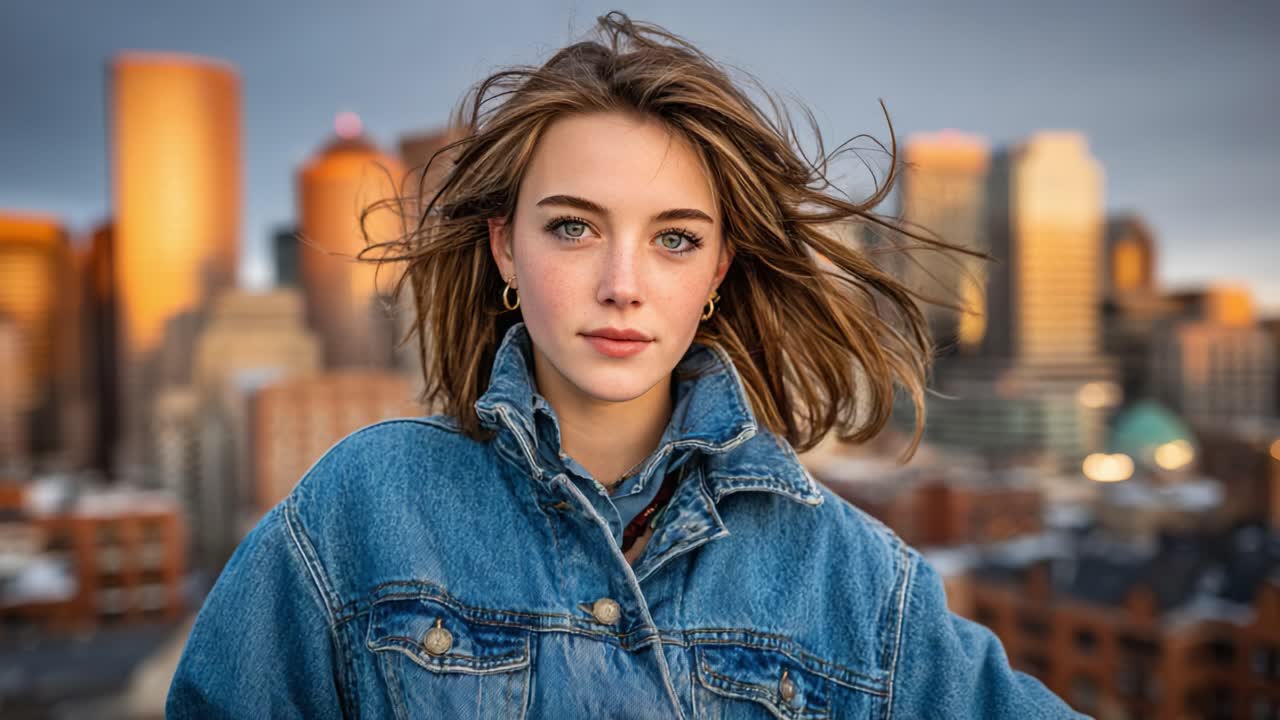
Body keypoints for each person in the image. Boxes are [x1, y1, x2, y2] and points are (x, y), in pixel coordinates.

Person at [167, 11, 1087, 719]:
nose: (622, 285)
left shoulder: (853, 582)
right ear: (503, 249)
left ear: (719, 269)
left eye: (675, 239)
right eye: (573, 226)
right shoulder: (360, 512)